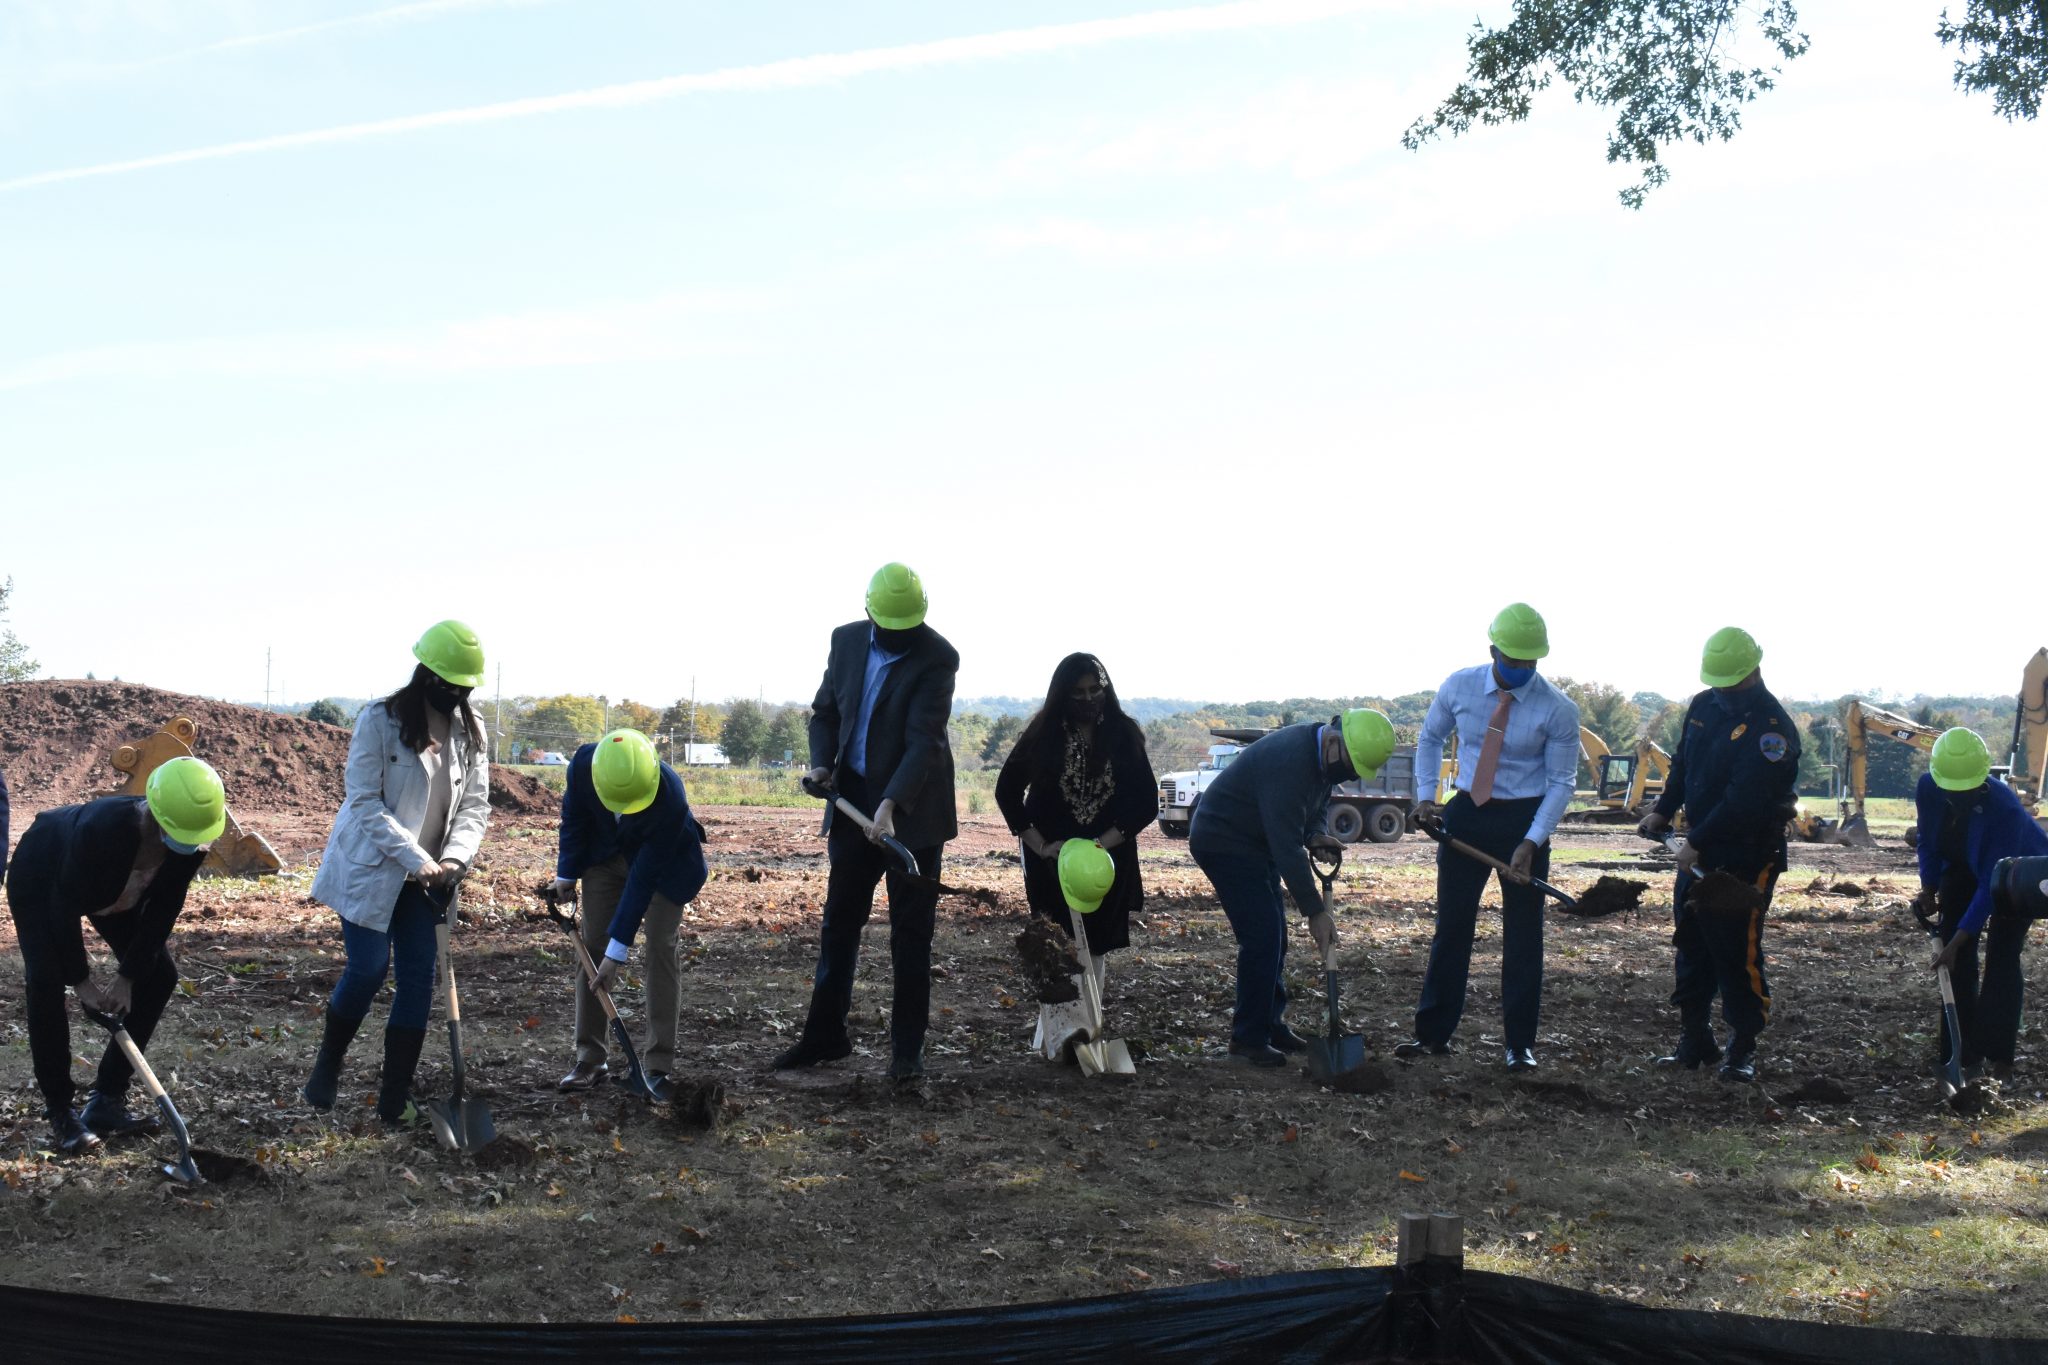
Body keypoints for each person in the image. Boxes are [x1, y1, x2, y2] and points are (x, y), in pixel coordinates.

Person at [775, 562, 959, 1082]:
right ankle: (825, 1037)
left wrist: (891, 805)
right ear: (870, 613)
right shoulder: (847, 642)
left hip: (913, 817)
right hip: (853, 802)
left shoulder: (939, 657)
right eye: (891, 628)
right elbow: (826, 713)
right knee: (839, 926)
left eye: (909, 630)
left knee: (911, 936)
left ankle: (906, 1054)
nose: (900, 638)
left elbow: (925, 740)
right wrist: (820, 761)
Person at [304, 621, 491, 1124]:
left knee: (417, 982)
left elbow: (474, 806)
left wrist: (453, 860)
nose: (456, 694)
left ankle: (394, 1095)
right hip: (373, 867)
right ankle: (329, 1063)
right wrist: (418, 860)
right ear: (425, 674)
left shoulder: (471, 733)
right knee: (367, 969)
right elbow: (364, 801)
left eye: (464, 687)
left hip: (434, 880)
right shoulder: (379, 720)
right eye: (448, 683)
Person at [4, 756, 225, 1153]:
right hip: (42, 876)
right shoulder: (101, 830)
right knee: (46, 980)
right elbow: (63, 906)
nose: (188, 845)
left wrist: (126, 977)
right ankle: (60, 1112)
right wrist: (82, 982)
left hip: (119, 891)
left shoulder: (190, 840)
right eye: (177, 834)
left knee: (157, 976)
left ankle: (107, 1098)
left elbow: (164, 908)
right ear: (155, 815)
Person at [1400, 604, 1581, 1071]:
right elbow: (1429, 739)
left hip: (1524, 822)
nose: (1521, 669)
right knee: (1452, 929)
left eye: (1530, 662)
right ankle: (1432, 1035)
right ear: (1493, 650)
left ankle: (1519, 1045)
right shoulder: (1459, 685)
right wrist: (1426, 796)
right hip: (1467, 814)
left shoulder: (1558, 709)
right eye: (1512, 660)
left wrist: (1532, 841)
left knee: (1523, 937)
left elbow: (1562, 783)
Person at [1637, 627, 1800, 1084]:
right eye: (1719, 683)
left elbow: (1744, 801)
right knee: (1691, 941)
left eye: (1732, 684)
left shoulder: (1774, 732)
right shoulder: (1703, 705)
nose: (1724, 692)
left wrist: (1698, 841)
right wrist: (1663, 810)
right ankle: (1695, 1040)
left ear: (1754, 671)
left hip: (1747, 856)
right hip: (1698, 847)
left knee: (1735, 949)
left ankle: (1742, 1047)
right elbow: (1685, 766)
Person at [1189, 709, 1396, 1066]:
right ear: (1334, 741)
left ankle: (1270, 1023)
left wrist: (1316, 833)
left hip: (1255, 842)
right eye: (1348, 768)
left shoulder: (1326, 759)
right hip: (1224, 840)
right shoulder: (1289, 761)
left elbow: (1318, 801)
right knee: (1262, 936)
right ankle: (1248, 1040)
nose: (1345, 776)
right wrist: (1316, 911)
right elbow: (1286, 846)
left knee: (1276, 936)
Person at [995, 653, 1158, 1055]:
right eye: (1078, 692)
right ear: (1062, 695)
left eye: (1094, 691)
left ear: (1105, 691)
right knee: (1056, 945)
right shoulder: (1042, 736)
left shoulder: (1123, 734)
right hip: (1052, 860)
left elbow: (1146, 802)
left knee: (1096, 943)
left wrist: (1103, 843)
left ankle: (1086, 1031)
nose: (1087, 699)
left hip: (1107, 857)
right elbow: (1007, 792)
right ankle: (1052, 1036)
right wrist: (1039, 844)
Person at [552, 729, 709, 1101]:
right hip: (604, 857)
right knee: (591, 946)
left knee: (658, 946)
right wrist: (566, 873)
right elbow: (573, 818)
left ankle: (657, 1066)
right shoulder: (582, 767)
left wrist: (618, 953)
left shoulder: (669, 793)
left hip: (664, 866)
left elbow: (644, 878)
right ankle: (591, 1058)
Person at [1918, 727, 2048, 1083]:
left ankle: (1999, 1058)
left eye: (1968, 790)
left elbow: (1991, 882)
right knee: (1955, 962)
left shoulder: (2003, 805)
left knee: (2002, 956)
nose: (1958, 797)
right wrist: (1928, 886)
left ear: (1983, 779)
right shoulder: (1928, 787)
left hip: (2017, 872)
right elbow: (1928, 841)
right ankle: (1959, 1056)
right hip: (1961, 866)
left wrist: (1960, 939)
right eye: (1951, 790)